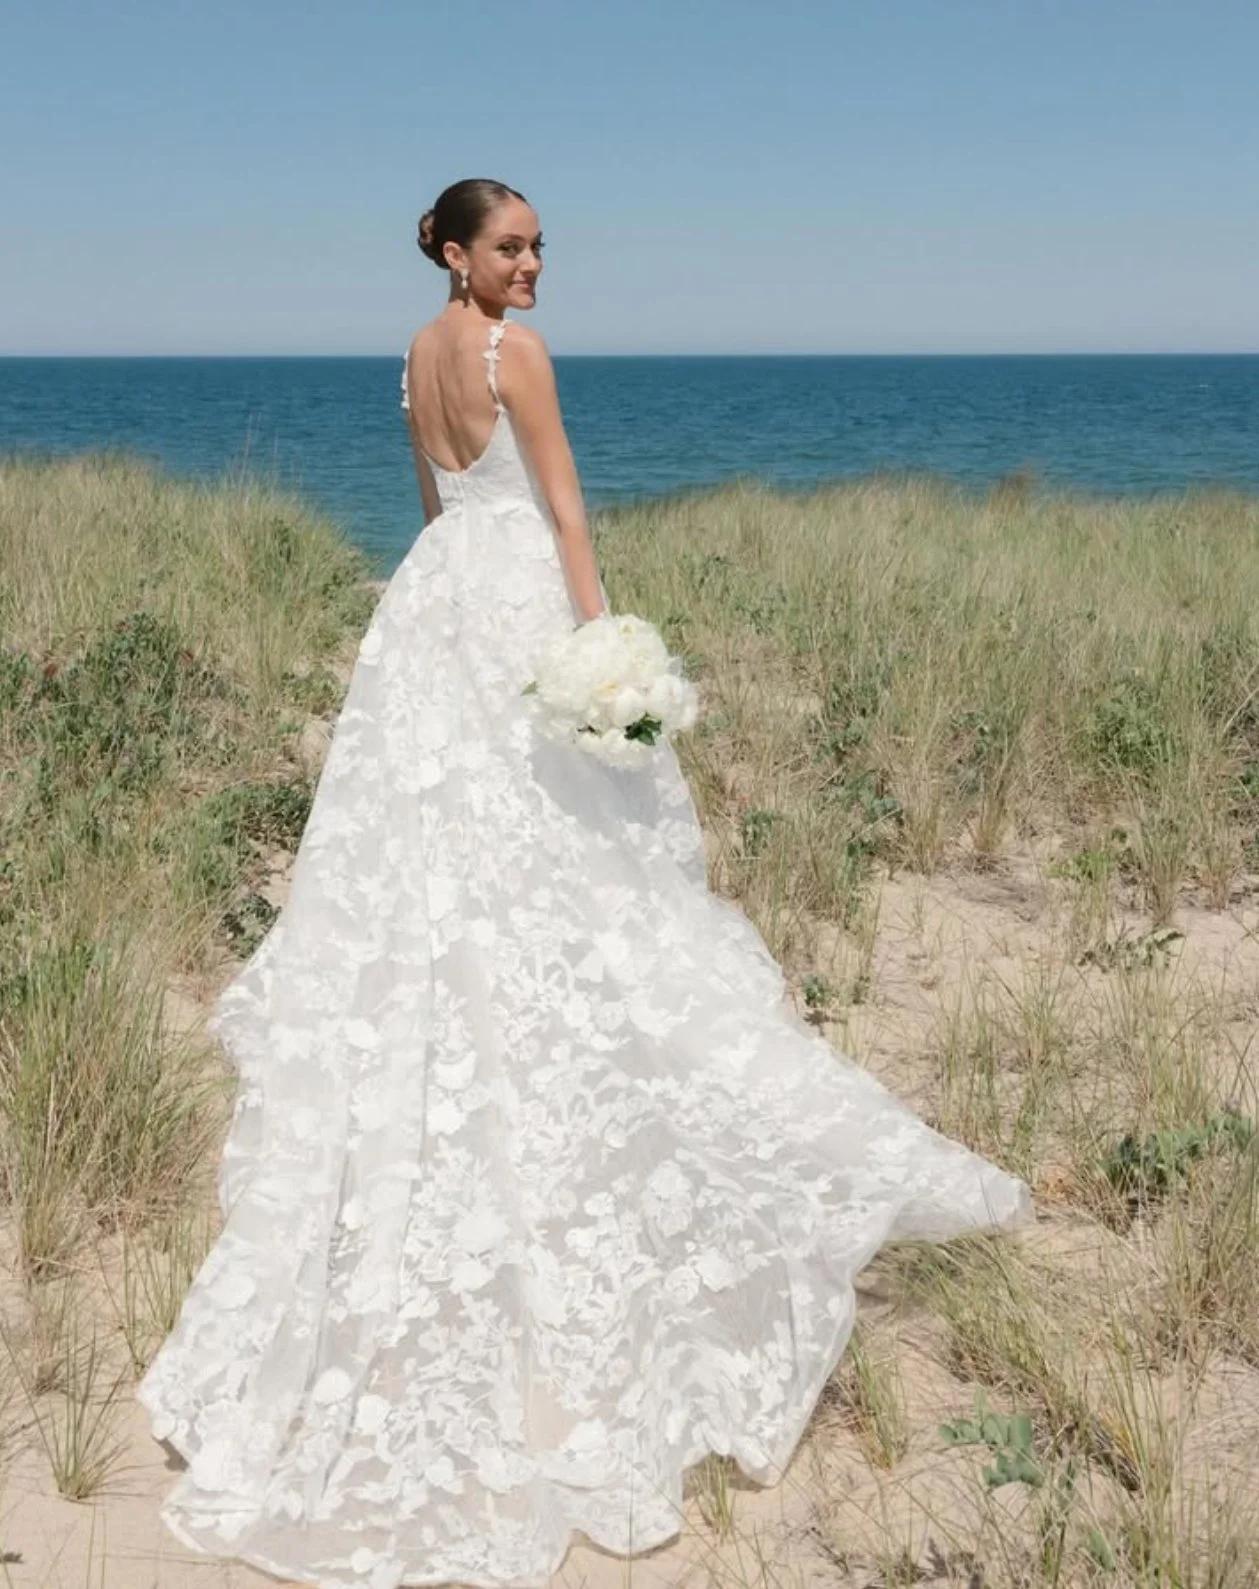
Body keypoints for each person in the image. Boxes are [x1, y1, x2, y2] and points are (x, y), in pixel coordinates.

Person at [139, 177, 1031, 1589]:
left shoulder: (416, 358)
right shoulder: (511, 353)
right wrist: (600, 654)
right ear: (452, 252)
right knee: (578, 877)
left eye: (540, 247)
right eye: (509, 246)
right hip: (507, 606)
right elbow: (560, 513)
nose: (534, 265)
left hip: (429, 605)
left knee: (443, 871)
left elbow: (436, 500)